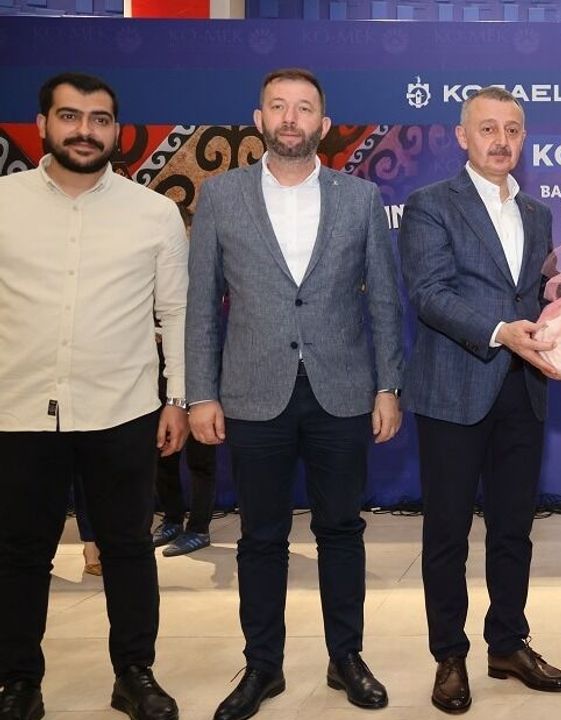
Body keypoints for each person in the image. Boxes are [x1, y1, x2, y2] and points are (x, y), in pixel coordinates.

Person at [186, 67, 404, 720]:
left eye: (304, 108)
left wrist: (387, 385)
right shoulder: (220, 196)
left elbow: (384, 301)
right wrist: (200, 393)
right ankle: (263, 666)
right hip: (252, 392)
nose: (290, 118)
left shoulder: (360, 198)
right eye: (278, 106)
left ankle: (346, 658)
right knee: (260, 537)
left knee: (342, 529)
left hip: (343, 391)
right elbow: (202, 304)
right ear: (258, 120)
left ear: (323, 125)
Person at [0, 72, 187, 720]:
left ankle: (134, 675)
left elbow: (175, 312)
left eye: (99, 119)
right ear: (42, 124)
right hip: (18, 408)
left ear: (116, 130)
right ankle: (17, 682)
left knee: (128, 548)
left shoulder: (153, 213)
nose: (85, 130)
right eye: (70, 116)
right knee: (20, 552)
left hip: (121, 409)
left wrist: (178, 398)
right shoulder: (4, 203)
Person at [399, 85, 561, 715]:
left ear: (524, 139)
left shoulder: (538, 214)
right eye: (488, 128)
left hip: (523, 390)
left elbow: (540, 298)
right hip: (454, 388)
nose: (501, 140)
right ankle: (449, 654)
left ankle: (508, 643)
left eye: (513, 129)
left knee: (514, 528)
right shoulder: (429, 204)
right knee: (446, 532)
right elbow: (429, 293)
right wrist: (500, 332)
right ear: (462, 136)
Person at [152, 338, 218, 557]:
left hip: (199, 363)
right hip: (161, 364)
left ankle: (199, 529)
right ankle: (172, 519)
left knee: (201, 458)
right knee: (163, 450)